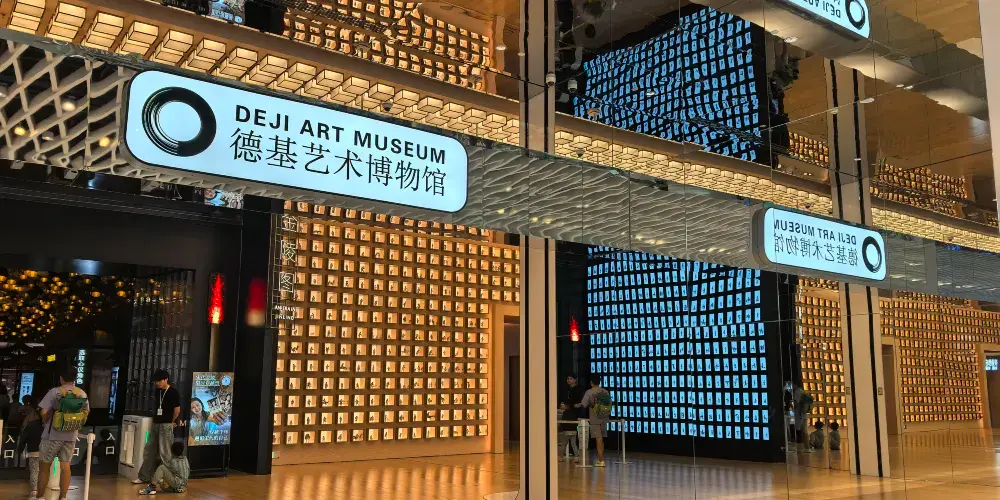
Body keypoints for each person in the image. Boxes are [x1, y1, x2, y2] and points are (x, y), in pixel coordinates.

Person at [36, 367, 90, 500]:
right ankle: (63, 497)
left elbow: (43, 413)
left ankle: (40, 496)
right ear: (75, 378)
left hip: (52, 435)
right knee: (66, 465)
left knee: (44, 466)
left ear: (61, 378)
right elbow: (86, 412)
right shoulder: (81, 393)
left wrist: (47, 419)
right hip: (71, 435)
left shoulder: (54, 392)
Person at [132, 369, 181, 486]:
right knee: (149, 451)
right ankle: (144, 476)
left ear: (166, 379)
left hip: (166, 424)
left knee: (165, 453)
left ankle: (169, 479)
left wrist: (170, 422)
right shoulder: (157, 391)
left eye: (159, 381)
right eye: (156, 381)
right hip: (156, 424)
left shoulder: (173, 392)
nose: (157, 383)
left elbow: (177, 410)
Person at [577, 375, 612, 467]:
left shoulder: (589, 392)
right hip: (604, 418)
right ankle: (601, 459)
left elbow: (584, 404)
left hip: (595, 418)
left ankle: (601, 460)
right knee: (601, 439)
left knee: (598, 438)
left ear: (591, 383)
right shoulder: (605, 391)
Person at [17, 395, 42, 500]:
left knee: (34, 470)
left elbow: (24, 437)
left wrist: (20, 449)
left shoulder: (30, 424)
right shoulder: (46, 426)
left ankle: (34, 491)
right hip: (47, 450)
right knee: (44, 471)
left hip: (33, 450)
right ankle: (42, 491)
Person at [558, 375, 584, 460]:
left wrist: (570, 406)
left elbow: (577, 404)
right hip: (567, 415)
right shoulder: (566, 389)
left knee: (570, 440)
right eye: (567, 379)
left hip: (573, 416)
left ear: (575, 380)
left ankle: (569, 455)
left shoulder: (578, 390)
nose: (568, 380)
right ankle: (571, 455)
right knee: (568, 440)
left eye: (570, 379)